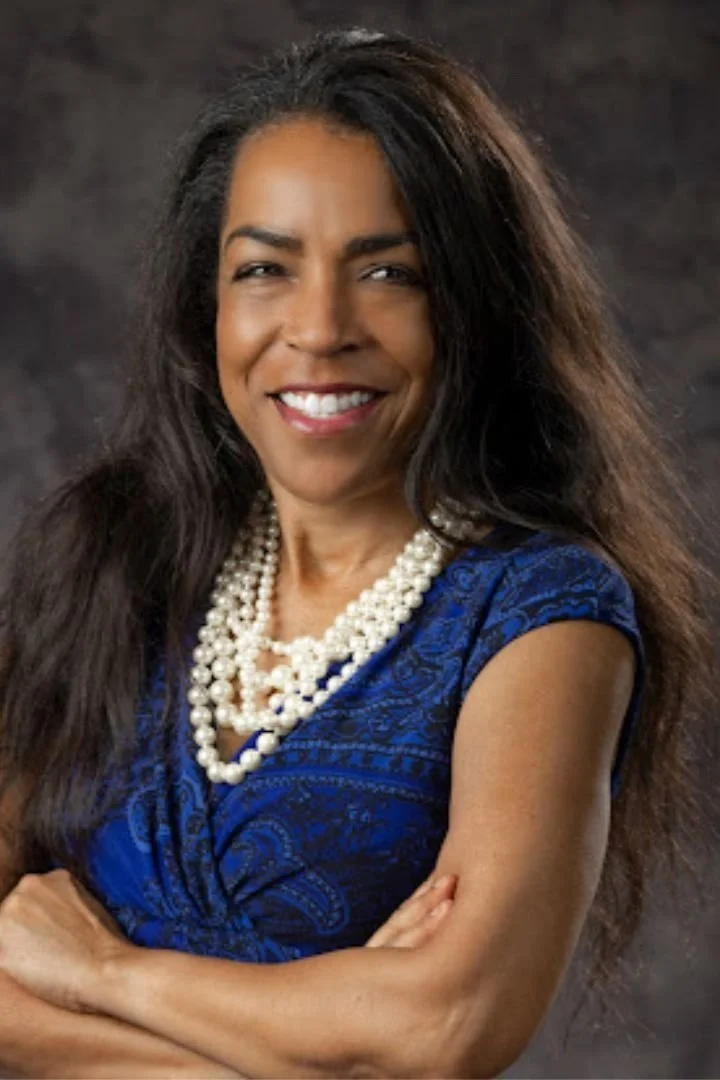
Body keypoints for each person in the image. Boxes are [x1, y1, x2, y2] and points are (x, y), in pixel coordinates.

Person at [0, 26, 716, 1080]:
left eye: (388, 273)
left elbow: (445, 1029)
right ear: (208, 310)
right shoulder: (108, 558)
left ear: (473, 310)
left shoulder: (543, 614)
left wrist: (101, 973)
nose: (320, 327)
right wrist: (322, 1045)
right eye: (264, 270)